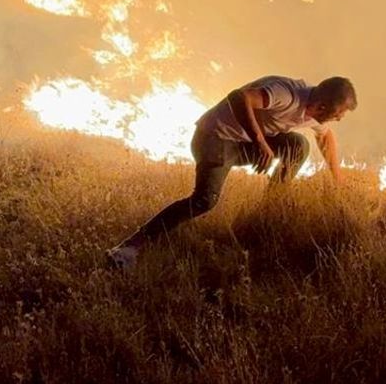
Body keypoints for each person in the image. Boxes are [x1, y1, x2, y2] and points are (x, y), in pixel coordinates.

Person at [106, 75, 357, 268]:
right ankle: (128, 248)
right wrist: (260, 141)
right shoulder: (287, 94)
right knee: (204, 201)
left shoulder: (315, 114)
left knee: (298, 145)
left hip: (242, 143)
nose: (341, 118)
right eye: (340, 113)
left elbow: (326, 139)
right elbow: (240, 97)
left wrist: (338, 181)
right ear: (322, 106)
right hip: (214, 139)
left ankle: (268, 212)